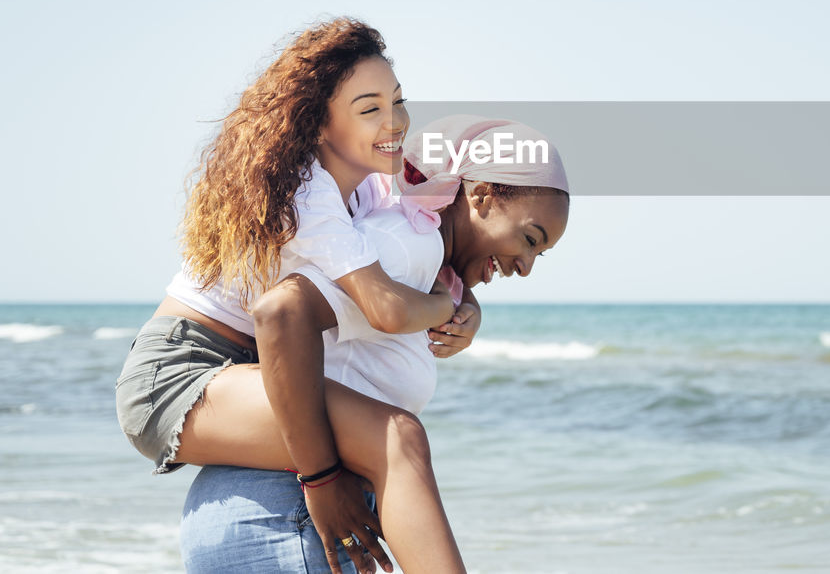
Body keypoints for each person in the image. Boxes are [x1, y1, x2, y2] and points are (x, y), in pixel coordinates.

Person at [116, 20, 483, 573]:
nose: (395, 122)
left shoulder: (368, 181)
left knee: (398, 441)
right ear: (318, 122)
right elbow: (386, 307)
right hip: (179, 373)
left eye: (399, 101)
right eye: (370, 109)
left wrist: (469, 304)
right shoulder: (305, 192)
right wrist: (322, 479)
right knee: (399, 439)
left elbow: (433, 249)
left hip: (244, 363)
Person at [179, 115, 571, 573]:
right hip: (293, 516)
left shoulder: (425, 264)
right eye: (528, 240)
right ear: (480, 195)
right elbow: (282, 312)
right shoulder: (407, 247)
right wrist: (321, 480)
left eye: (537, 255)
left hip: (281, 511)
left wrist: (465, 308)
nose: (524, 267)